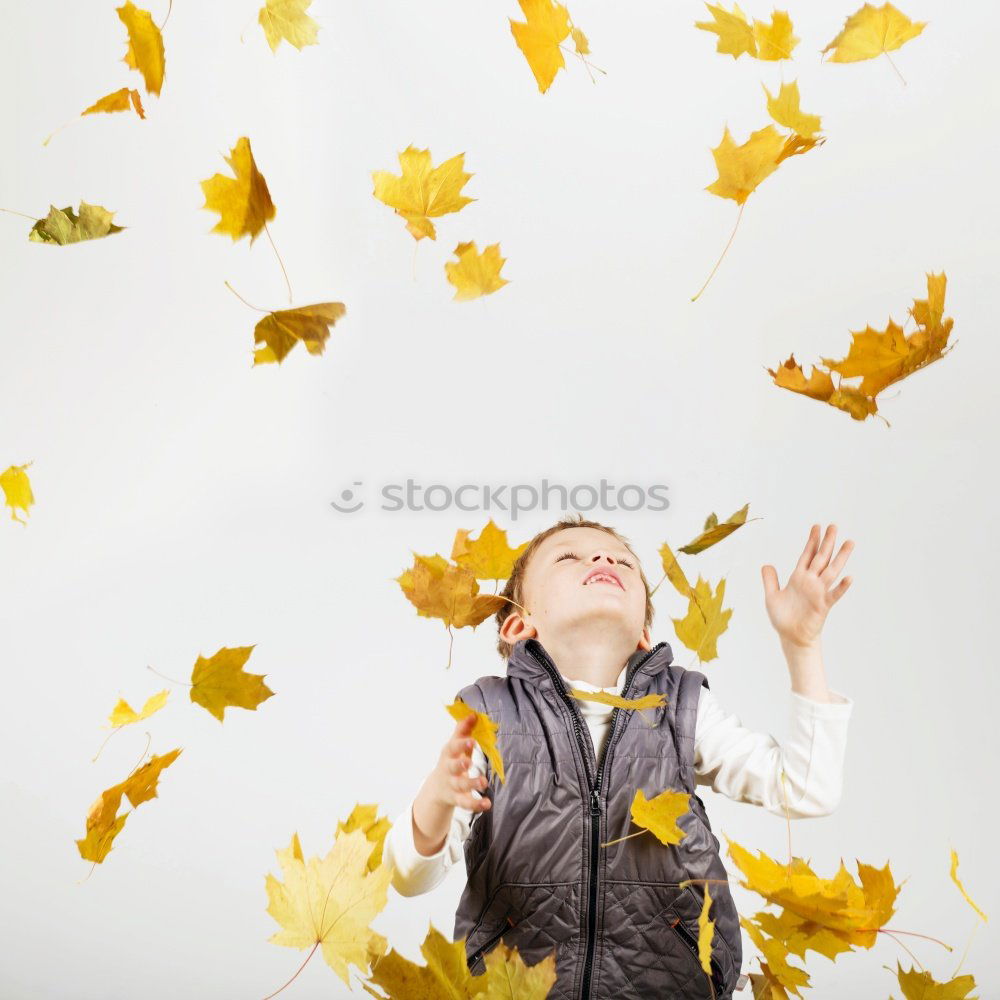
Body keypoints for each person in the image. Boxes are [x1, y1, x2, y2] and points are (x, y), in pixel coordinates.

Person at [383, 515, 854, 998]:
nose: (604, 559)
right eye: (570, 557)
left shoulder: (682, 708)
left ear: (643, 636)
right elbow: (409, 876)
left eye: (622, 561)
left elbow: (806, 788)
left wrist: (802, 647)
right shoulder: (489, 715)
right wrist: (438, 799)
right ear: (520, 625)